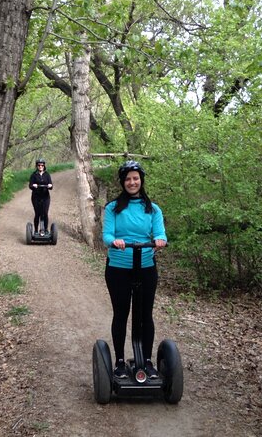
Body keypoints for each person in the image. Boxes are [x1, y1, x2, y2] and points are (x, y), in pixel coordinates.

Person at [102, 160, 167, 379]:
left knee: (145, 315)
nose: (132, 182)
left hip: (146, 267)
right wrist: (115, 241)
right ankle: (120, 362)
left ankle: (147, 361)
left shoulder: (153, 209)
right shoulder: (113, 208)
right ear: (123, 182)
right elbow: (107, 235)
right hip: (119, 268)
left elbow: (161, 234)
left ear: (141, 180)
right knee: (121, 314)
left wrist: (159, 240)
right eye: (128, 179)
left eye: (136, 178)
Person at [28, 158, 53, 234]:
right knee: (37, 213)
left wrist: (49, 185)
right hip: (36, 197)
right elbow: (30, 185)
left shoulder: (47, 174)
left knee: (45, 213)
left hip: (45, 197)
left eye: (42, 165)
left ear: (44, 166)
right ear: (37, 166)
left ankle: (45, 230)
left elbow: (51, 186)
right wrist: (33, 185)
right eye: (39, 165)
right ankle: (35, 230)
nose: (40, 166)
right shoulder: (33, 175)